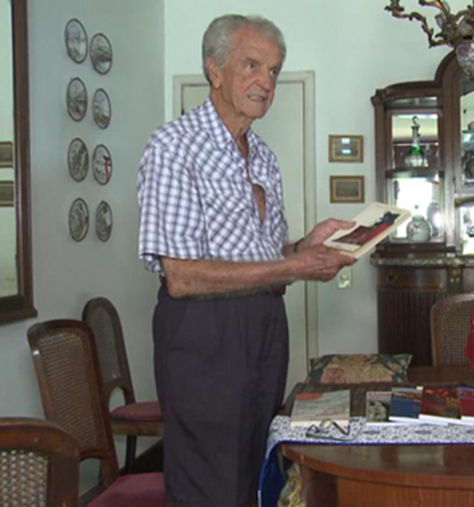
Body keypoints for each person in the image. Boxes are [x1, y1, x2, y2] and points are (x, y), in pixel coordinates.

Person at [136, 14, 355, 507]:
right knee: (208, 483)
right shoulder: (174, 147)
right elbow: (182, 276)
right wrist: (295, 267)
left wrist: (306, 246)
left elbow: (266, 257)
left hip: (265, 325)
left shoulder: (263, 156)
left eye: (274, 70)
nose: (266, 82)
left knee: (255, 471)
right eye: (252, 65)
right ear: (214, 70)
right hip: (204, 331)